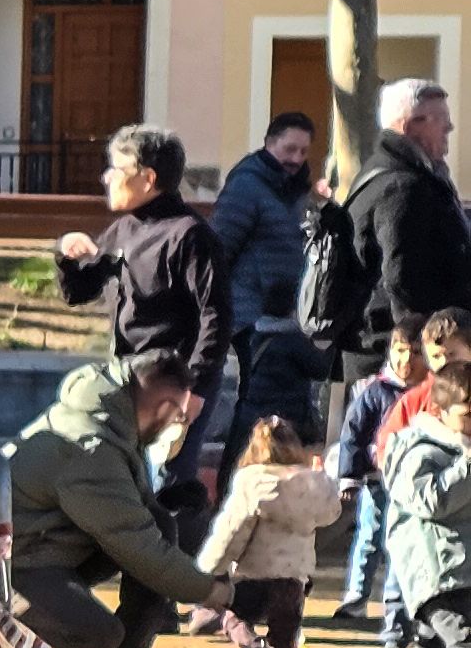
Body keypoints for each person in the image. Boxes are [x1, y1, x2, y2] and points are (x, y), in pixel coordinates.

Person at [4, 357, 213, 648]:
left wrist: (164, 501)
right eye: (179, 416)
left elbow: (128, 514)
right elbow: (139, 546)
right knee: (99, 633)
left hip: (35, 543)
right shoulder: (92, 445)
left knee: (157, 523)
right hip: (17, 559)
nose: (178, 426)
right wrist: (215, 591)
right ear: (164, 408)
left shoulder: (110, 416)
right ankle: (2, 646)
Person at [54, 124, 229, 515]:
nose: (107, 178)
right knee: (131, 492)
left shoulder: (191, 236)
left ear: (148, 178)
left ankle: (176, 572)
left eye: (116, 169)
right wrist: (66, 256)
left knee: (164, 492)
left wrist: (193, 392)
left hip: (176, 386)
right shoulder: (122, 229)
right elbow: (79, 292)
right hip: (128, 382)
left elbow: (215, 319)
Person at [195, 415, 341, 648]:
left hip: (254, 574)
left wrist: (210, 568)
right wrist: (322, 479)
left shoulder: (252, 482)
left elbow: (232, 531)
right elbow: (332, 513)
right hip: (294, 578)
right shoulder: (313, 484)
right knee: (286, 632)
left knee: (227, 613)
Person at [342, 74, 471, 367]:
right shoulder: (402, 187)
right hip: (396, 360)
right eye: (441, 119)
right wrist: (428, 350)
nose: (449, 126)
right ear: (411, 125)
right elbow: (403, 281)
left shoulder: (401, 176)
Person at [207, 110, 318, 450]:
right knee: (252, 408)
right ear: (270, 144)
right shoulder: (248, 186)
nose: (296, 159)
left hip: (282, 316)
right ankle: (236, 479)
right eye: (289, 149)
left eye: (303, 151)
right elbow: (220, 248)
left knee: (273, 408)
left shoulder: (296, 192)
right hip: (249, 317)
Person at [329, 321, 425, 632]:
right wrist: (350, 477)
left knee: (402, 544)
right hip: (376, 480)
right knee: (370, 537)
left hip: (414, 484)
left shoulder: (432, 392)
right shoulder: (375, 391)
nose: (406, 360)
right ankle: (356, 596)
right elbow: (353, 435)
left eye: (414, 352)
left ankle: (398, 604)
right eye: (400, 351)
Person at [384, 354, 471, 648]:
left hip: (462, 571)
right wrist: (468, 464)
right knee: (466, 646)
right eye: (468, 415)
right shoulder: (422, 451)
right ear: (442, 412)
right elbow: (431, 500)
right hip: (438, 575)